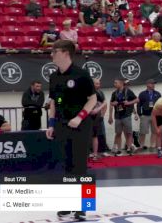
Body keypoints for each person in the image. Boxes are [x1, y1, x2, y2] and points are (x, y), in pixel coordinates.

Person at [46, 40, 97, 221]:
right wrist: (51, 124)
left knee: (80, 166)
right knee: (66, 165)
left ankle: (83, 206)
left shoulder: (81, 75)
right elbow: (53, 102)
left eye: (54, 51)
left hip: (80, 126)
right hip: (61, 126)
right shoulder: (53, 77)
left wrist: (79, 117)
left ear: (66, 53)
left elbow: (92, 99)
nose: (51, 54)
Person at [108, 78, 138, 156]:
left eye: (116, 83)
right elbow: (111, 103)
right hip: (118, 116)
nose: (114, 84)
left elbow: (137, 100)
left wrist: (129, 103)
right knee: (118, 133)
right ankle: (119, 150)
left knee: (129, 133)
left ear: (121, 84)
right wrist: (113, 103)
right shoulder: (114, 93)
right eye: (114, 83)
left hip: (126, 115)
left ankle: (129, 149)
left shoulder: (128, 91)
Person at [137, 79, 161, 150]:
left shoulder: (158, 93)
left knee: (154, 131)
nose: (154, 85)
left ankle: (152, 146)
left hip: (155, 115)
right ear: (147, 84)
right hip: (145, 115)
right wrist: (140, 114)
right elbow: (139, 105)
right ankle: (141, 146)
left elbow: (160, 104)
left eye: (154, 84)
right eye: (152, 83)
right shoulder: (142, 94)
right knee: (142, 132)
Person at [90, 79, 108, 160]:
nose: (99, 85)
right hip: (86, 116)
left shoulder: (99, 93)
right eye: (97, 84)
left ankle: (95, 153)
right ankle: (87, 153)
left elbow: (105, 103)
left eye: (99, 83)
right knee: (86, 136)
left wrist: (100, 112)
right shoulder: (87, 91)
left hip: (96, 117)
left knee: (95, 135)